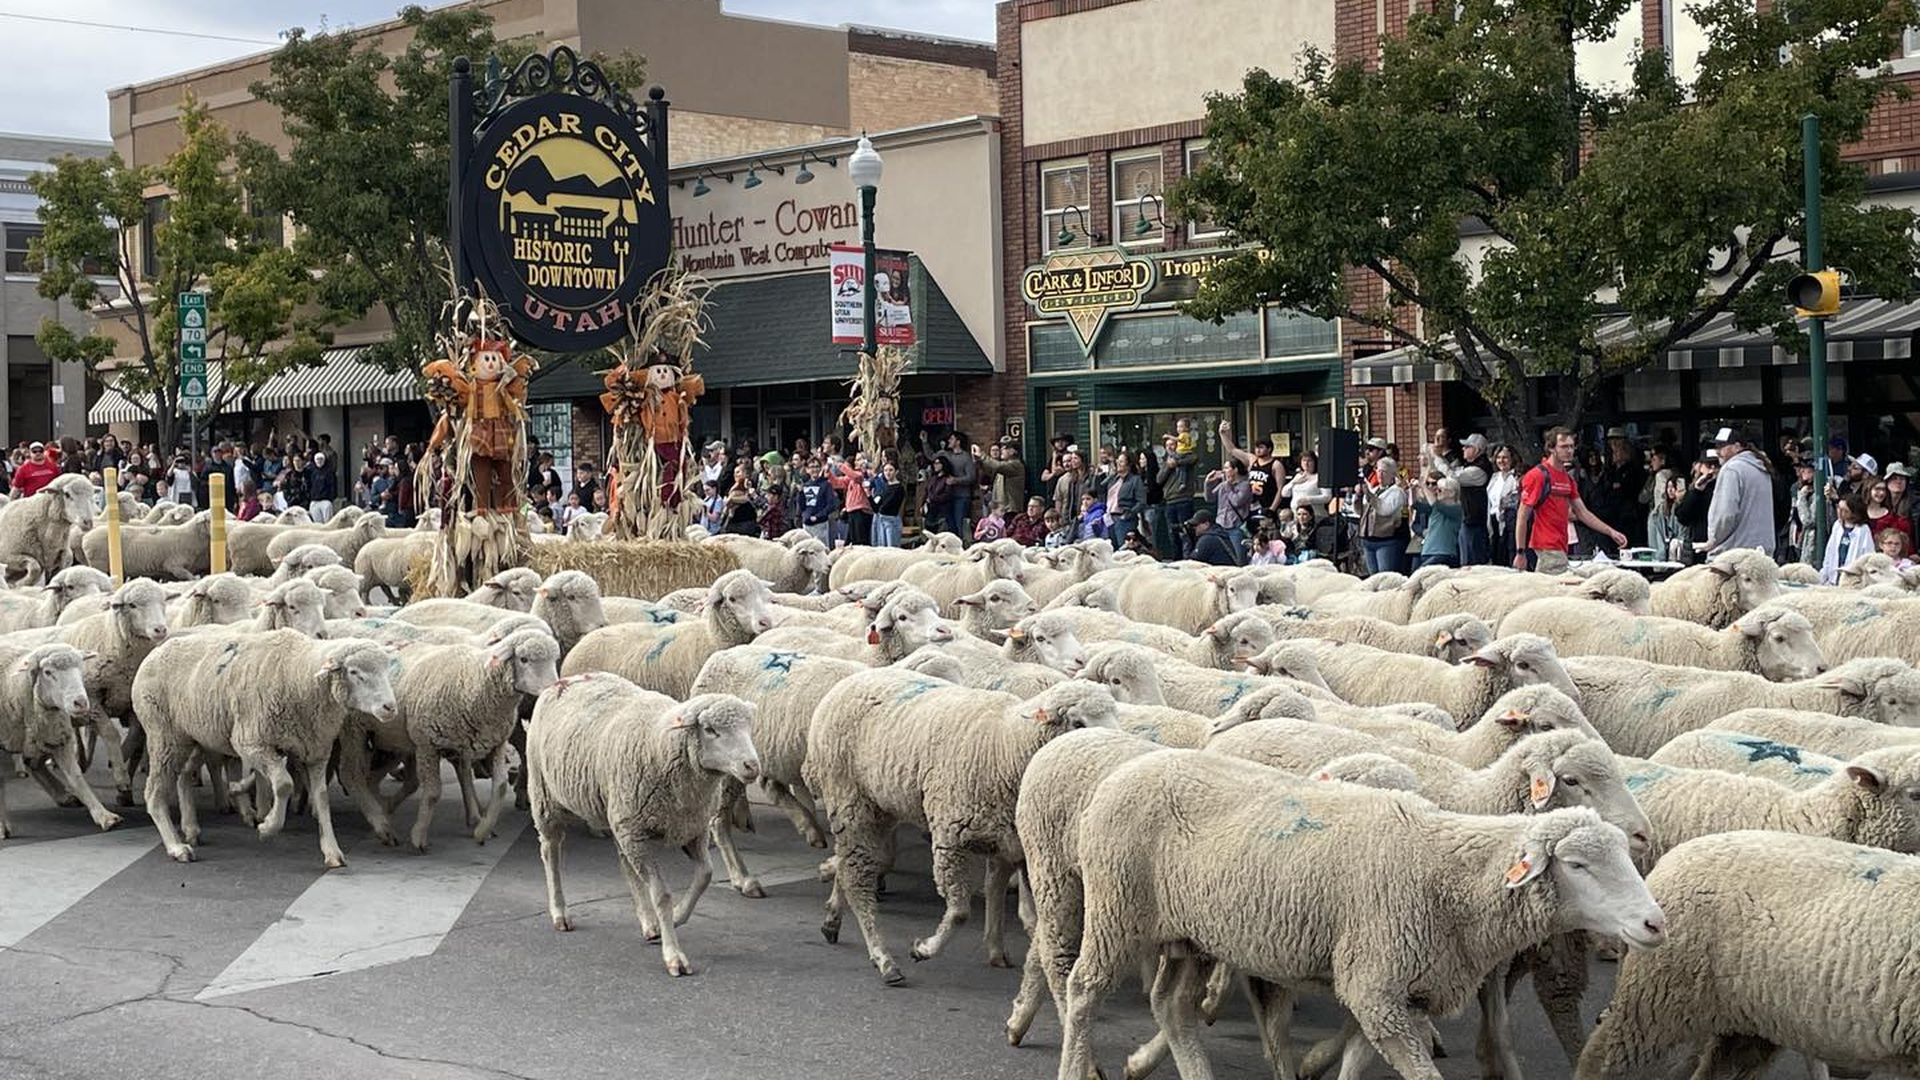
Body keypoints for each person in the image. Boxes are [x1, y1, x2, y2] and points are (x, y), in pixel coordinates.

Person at [1513, 427, 1626, 574]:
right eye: (1564, 446)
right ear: (1551, 448)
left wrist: (1610, 532)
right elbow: (1522, 516)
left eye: (1572, 446)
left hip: (1562, 545)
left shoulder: (1567, 478)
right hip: (1547, 545)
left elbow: (1583, 513)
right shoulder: (1538, 475)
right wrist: (1520, 552)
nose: (1569, 450)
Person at [1705, 426, 1778, 558]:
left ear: (1737, 446)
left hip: (1733, 554)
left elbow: (1725, 515)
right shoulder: (1762, 468)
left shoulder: (1731, 469)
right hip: (1762, 553)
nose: (1717, 451)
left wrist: (1713, 540)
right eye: (1716, 447)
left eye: (1722, 446)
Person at [1357, 457, 1410, 576]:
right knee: (1374, 578)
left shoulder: (1397, 492)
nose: (1380, 474)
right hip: (1369, 539)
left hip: (1387, 540)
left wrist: (1369, 495)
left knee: (1385, 577)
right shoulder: (1375, 489)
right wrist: (1358, 496)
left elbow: (1385, 510)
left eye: (1384, 472)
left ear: (1392, 474)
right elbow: (1360, 512)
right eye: (1378, 470)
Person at [1156, 432, 1199, 556]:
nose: (1170, 447)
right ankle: (1177, 558)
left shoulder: (1187, 457)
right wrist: (1169, 467)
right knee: (1172, 533)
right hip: (1170, 501)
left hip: (1184, 499)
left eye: (1172, 444)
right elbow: (1159, 480)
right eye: (1167, 445)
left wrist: (1178, 463)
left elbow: (1194, 458)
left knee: (1185, 532)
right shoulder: (1166, 462)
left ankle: (1188, 558)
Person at [1451, 434, 1491, 564]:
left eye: (1467, 447)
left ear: (1477, 450)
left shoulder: (1479, 469)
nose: (1463, 449)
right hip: (1468, 520)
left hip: (1474, 522)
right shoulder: (1471, 466)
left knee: (1471, 564)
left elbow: (1453, 478)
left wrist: (1437, 459)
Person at [1203, 458, 1253, 555]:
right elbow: (1209, 498)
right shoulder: (1223, 485)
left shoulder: (1245, 485)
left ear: (1235, 470)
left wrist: (1228, 485)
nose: (1224, 471)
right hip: (1220, 524)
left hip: (1236, 526)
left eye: (1226, 468)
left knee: (1239, 555)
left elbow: (1236, 502)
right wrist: (1208, 483)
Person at [1821, 495, 1875, 584]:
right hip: (1833, 576)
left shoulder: (1863, 529)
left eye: (1845, 510)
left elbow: (1868, 554)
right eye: (1839, 508)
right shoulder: (1837, 526)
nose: (1840, 512)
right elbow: (1830, 551)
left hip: (1853, 579)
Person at [1415, 473, 1463, 568]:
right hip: (1428, 551)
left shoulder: (1457, 508)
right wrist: (1413, 490)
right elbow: (1416, 505)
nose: (1436, 491)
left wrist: (1423, 485)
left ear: (1452, 493)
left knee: (1419, 575)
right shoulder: (1436, 508)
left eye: (1440, 490)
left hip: (1444, 552)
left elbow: (1435, 504)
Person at [1487, 444, 1521, 567]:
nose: (1501, 461)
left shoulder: (1516, 478)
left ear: (1512, 459)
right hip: (1494, 520)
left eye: (1505, 457)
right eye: (1499, 458)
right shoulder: (1494, 477)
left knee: (1509, 553)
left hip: (1510, 521)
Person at [1104, 451, 1145, 542]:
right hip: (1110, 518)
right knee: (1112, 547)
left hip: (1124, 518)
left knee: (1124, 547)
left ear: (1128, 465)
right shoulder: (1113, 479)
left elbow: (1141, 502)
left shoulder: (1135, 480)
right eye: (1117, 461)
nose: (1118, 463)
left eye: (1121, 461)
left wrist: (1129, 514)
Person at [1865, 476, 1911, 542]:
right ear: (1868, 490)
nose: (1881, 493)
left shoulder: (1892, 517)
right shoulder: (1859, 512)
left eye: (1883, 490)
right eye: (1877, 489)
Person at [870, 461, 905, 547]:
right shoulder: (884, 488)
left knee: (892, 548)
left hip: (891, 520)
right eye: (885, 470)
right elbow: (876, 508)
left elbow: (887, 505)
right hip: (881, 519)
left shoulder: (899, 488)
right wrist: (869, 496)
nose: (888, 473)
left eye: (890, 470)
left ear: (896, 471)